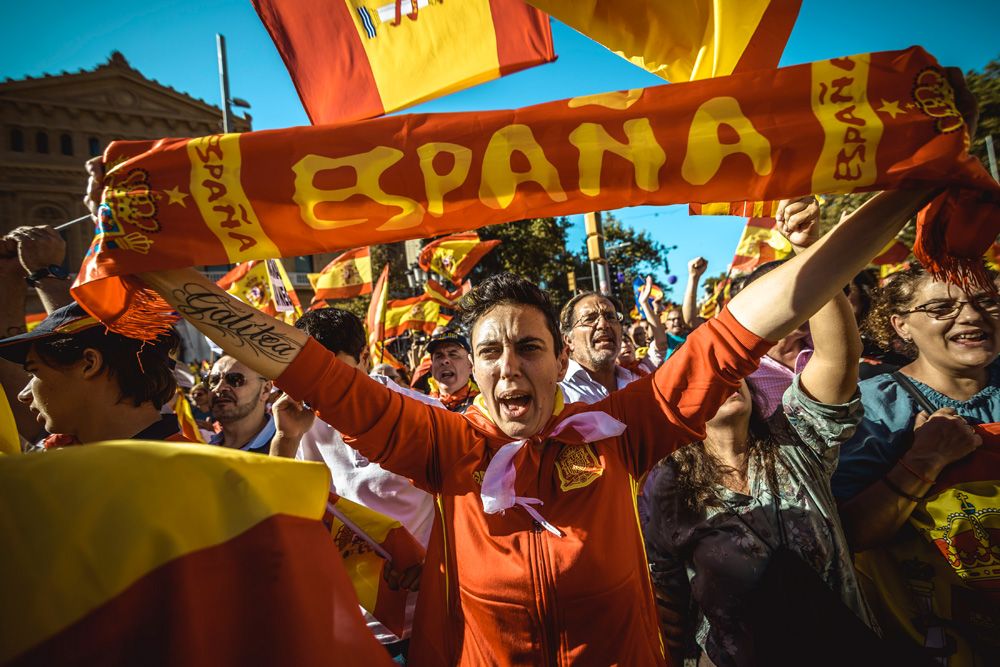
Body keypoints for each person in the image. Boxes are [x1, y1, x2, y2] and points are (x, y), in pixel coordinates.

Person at [133, 182, 933, 665]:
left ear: (558, 362)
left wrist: (906, 193)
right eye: (490, 350)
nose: (509, 363)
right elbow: (299, 361)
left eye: (529, 346)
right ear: (473, 370)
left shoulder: (626, 426)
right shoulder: (440, 446)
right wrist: (160, 269)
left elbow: (767, 311)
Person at [642, 212, 877, 666]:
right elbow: (666, 595)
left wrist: (809, 251)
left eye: (730, 372)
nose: (722, 382)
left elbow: (839, 357)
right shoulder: (666, 485)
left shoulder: (797, 441)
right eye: (704, 378)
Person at [832, 264, 1000, 664]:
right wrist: (924, 460)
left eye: (988, 302)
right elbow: (845, 535)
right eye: (941, 308)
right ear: (902, 325)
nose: (972, 316)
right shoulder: (872, 408)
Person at [270, 307, 435, 661]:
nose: (321, 387)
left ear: (364, 356)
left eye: (333, 372)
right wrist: (284, 439)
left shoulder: (425, 415)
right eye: (309, 373)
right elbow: (280, 515)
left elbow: (464, 510)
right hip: (345, 628)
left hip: (430, 622)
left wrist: (435, 562)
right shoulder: (302, 421)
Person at [0, 302, 183, 447]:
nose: (22, 395)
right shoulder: (57, 463)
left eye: (34, 372)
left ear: (89, 364)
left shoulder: (186, 473)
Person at [205, 355, 275, 454]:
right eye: (213, 381)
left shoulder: (295, 449)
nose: (219, 388)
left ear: (265, 390)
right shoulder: (203, 453)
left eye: (235, 379)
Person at [426, 331, 478, 412]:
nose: (444, 360)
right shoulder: (422, 404)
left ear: (471, 366)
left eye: (453, 354)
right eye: (439, 356)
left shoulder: (485, 407)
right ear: (431, 369)